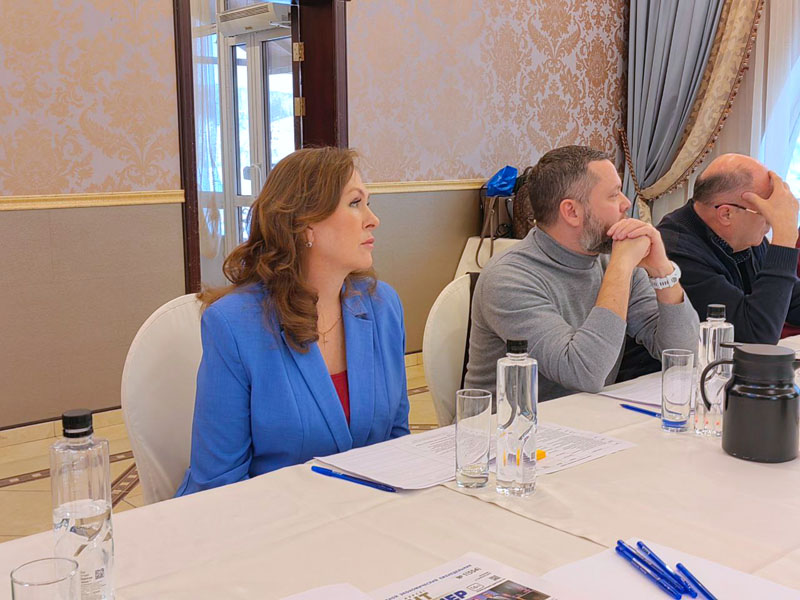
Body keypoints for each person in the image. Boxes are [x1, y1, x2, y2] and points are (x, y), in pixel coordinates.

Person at [176, 147, 409, 496]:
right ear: (305, 224)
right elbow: (219, 483)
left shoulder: (382, 306)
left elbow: (397, 443)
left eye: (368, 203)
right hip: (268, 520)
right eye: (355, 203)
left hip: (368, 516)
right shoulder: (233, 324)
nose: (373, 219)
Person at [465, 145, 698, 402]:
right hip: (513, 425)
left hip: (588, 417)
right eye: (614, 195)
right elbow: (584, 373)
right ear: (572, 212)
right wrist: (621, 267)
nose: (626, 203)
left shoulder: (613, 260)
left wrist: (662, 270)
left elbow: (684, 353)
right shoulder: (509, 278)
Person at [658, 154, 800, 344]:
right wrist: (785, 236)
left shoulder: (745, 239)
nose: (772, 222)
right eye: (767, 212)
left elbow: (792, 302)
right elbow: (755, 337)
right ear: (726, 214)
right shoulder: (675, 253)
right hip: (667, 364)